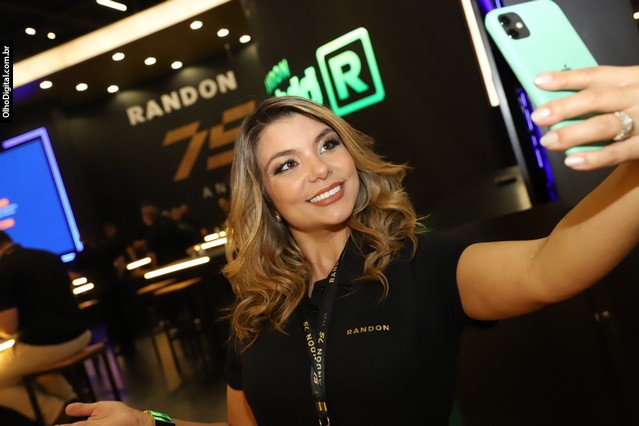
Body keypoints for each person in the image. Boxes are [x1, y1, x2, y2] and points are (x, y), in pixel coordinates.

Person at [60, 65, 639, 425]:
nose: (319, 169)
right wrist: (151, 424)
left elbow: (546, 267)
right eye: (287, 164)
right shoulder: (256, 312)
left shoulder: (419, 266)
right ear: (265, 197)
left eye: (327, 144)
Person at [0, 231, 91, 425]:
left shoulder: (3, 270)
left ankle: (58, 413)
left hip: (47, 346)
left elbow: (9, 328)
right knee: (26, 367)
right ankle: (71, 401)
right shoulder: (48, 256)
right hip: (82, 335)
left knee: (12, 369)